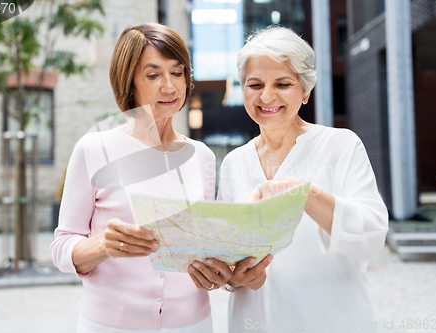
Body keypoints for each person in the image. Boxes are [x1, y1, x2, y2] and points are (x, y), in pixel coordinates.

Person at [51, 23, 231, 333]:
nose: (170, 86)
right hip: (111, 325)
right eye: (153, 75)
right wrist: (104, 245)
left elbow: (205, 245)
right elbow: (62, 247)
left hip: (194, 324)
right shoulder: (95, 149)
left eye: (178, 73)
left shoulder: (202, 156)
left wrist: (217, 271)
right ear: (129, 82)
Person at [217, 27, 389, 332]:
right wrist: (233, 277)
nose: (266, 96)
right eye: (255, 84)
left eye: (282, 83)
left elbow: (372, 235)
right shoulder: (233, 163)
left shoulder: (341, 145)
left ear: (305, 90)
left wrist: (304, 194)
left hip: (330, 320)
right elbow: (226, 251)